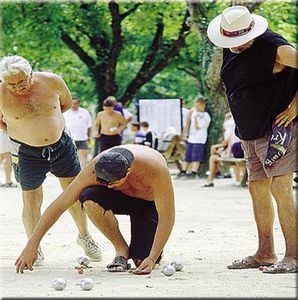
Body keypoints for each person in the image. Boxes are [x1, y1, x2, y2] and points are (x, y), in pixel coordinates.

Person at [207, 6, 297, 273]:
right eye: (230, 40)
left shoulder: (275, 47)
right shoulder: (230, 46)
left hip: (277, 129)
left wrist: (296, 105)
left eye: (239, 40)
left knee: (280, 188)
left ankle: (293, 255)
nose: (235, 45)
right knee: (257, 188)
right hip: (248, 131)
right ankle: (265, 252)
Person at [0, 55, 102, 264]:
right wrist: (23, 129)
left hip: (61, 145)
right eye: (11, 84)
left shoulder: (53, 81)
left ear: (30, 73)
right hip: (26, 152)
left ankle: (84, 236)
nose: (18, 88)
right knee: (31, 200)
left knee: (74, 193)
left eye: (22, 82)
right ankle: (34, 245)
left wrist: (46, 124)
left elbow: (63, 105)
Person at [15, 145, 175, 275]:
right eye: (103, 182)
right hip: (119, 198)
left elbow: (167, 217)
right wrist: (32, 244)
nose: (107, 186)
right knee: (88, 196)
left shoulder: (156, 170)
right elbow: (59, 205)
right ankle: (121, 250)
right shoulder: (95, 167)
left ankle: (148, 252)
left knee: (142, 261)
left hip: (147, 204)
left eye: (111, 183)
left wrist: (152, 258)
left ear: (127, 172)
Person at [176, 97, 211, 179]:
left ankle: (194, 171)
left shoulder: (206, 116)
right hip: (191, 137)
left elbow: (200, 126)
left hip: (200, 139)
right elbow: (188, 123)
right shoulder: (192, 111)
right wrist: (185, 134)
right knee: (188, 155)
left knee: (196, 156)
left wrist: (195, 119)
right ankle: (183, 170)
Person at [63, 97, 93, 167]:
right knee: (69, 158)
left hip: (82, 139)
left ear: (79, 103)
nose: (74, 105)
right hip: (69, 139)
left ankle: (82, 173)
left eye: (75, 103)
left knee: (83, 158)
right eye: (72, 103)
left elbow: (89, 126)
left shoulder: (85, 112)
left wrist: (89, 137)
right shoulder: (65, 113)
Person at [0, 122, 17, 188]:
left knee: (2, 157)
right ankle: (8, 181)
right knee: (8, 157)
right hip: (4, 133)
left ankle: (8, 180)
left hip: (3, 133)